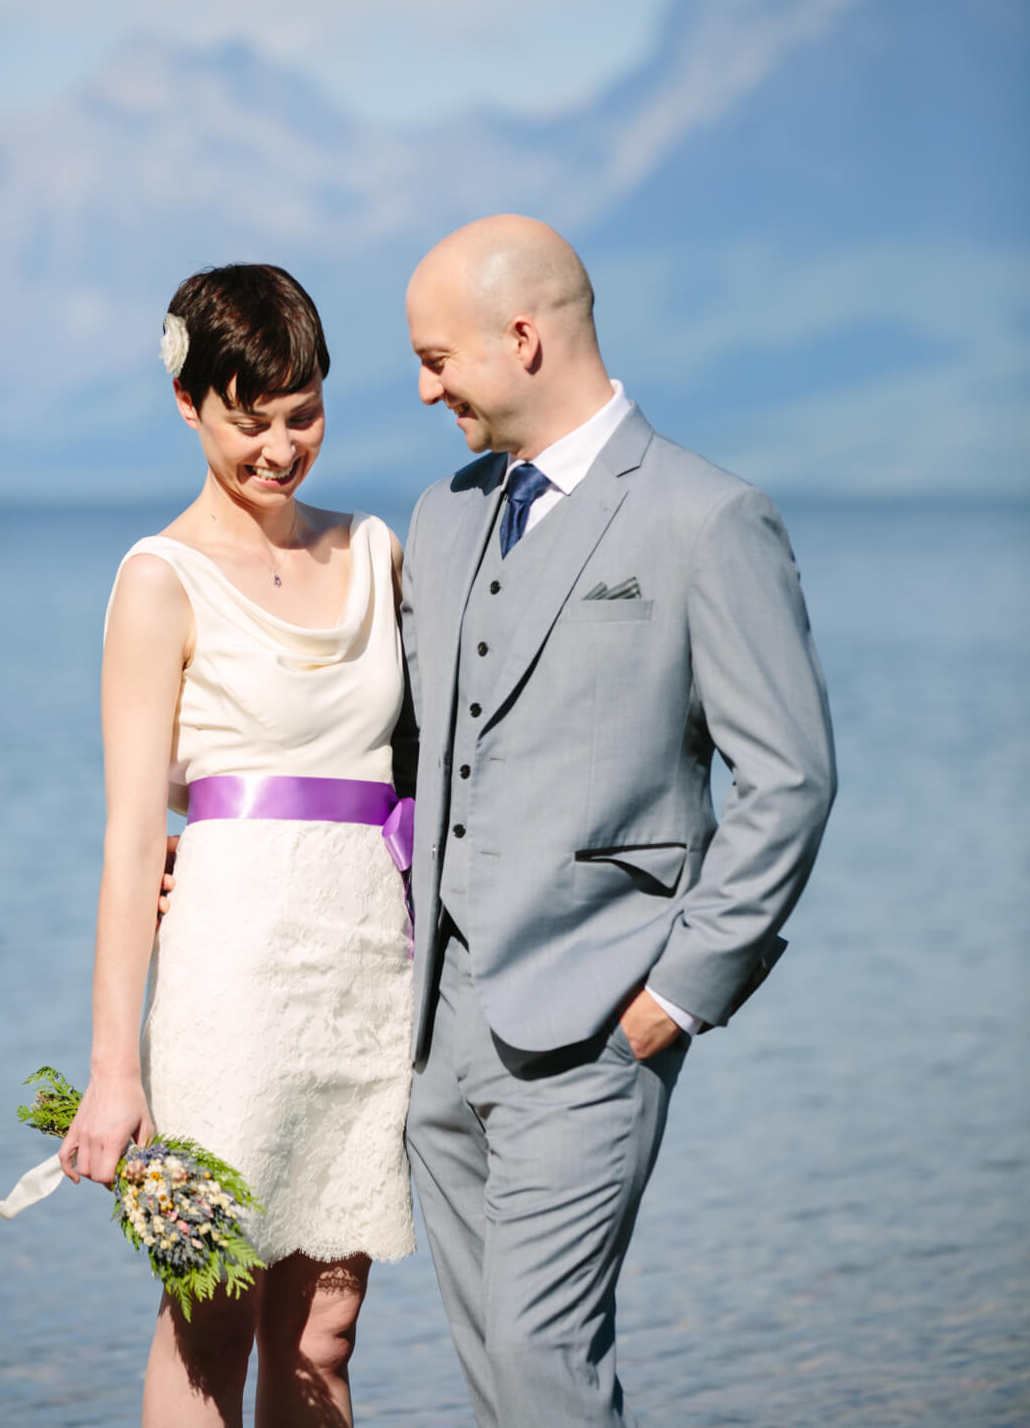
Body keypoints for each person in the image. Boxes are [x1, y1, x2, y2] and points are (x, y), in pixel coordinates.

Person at [399, 215, 837, 1427]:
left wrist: (685, 987)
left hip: (598, 1023)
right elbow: (408, 747)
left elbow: (789, 775)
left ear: (523, 338)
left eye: (438, 359)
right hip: (438, 1036)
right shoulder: (442, 515)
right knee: (495, 1371)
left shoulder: (706, 517)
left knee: (545, 1359)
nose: (425, 386)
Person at [59, 264, 415, 1428]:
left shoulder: (377, 550)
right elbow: (127, 835)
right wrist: (115, 1071)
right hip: (231, 976)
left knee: (326, 1327)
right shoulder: (159, 581)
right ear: (187, 403)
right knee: (210, 1312)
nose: (279, 447)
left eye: (302, 413)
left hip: (366, 969)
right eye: (247, 420)